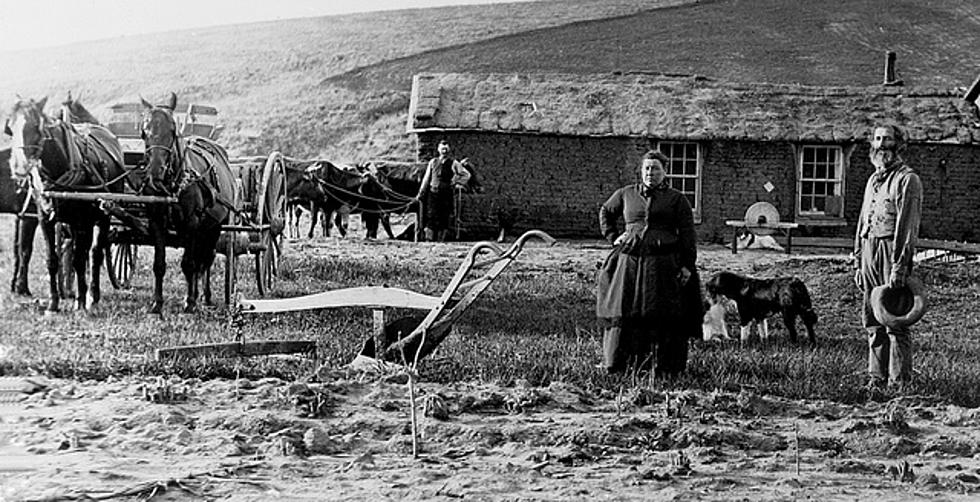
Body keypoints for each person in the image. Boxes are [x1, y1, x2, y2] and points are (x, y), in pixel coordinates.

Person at [596, 150, 704, 376]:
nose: (650, 173)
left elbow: (687, 234)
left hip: (663, 265)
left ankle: (663, 367)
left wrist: (686, 265)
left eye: (655, 168)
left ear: (665, 172)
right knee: (625, 309)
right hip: (630, 264)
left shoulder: (676, 199)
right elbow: (606, 211)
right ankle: (620, 364)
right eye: (646, 168)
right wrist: (613, 236)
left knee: (661, 312)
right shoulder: (626, 193)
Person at [854, 124, 923, 394]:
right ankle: (876, 379)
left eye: (888, 139)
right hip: (869, 250)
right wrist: (859, 260)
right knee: (872, 319)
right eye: (878, 139)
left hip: (890, 252)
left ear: (899, 145)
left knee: (894, 319)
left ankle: (899, 384)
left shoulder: (908, 180)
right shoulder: (873, 180)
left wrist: (900, 265)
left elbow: (907, 227)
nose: (882, 144)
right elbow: (862, 221)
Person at [416, 140, 471, 242]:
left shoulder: (454, 163)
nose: (444, 151)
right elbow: (426, 179)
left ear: (449, 150)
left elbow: (466, 175)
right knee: (431, 217)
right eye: (442, 149)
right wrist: (421, 192)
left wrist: (456, 182)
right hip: (433, 194)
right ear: (438, 150)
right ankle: (429, 240)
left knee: (444, 218)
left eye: (446, 149)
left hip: (446, 195)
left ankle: (441, 241)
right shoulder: (433, 162)